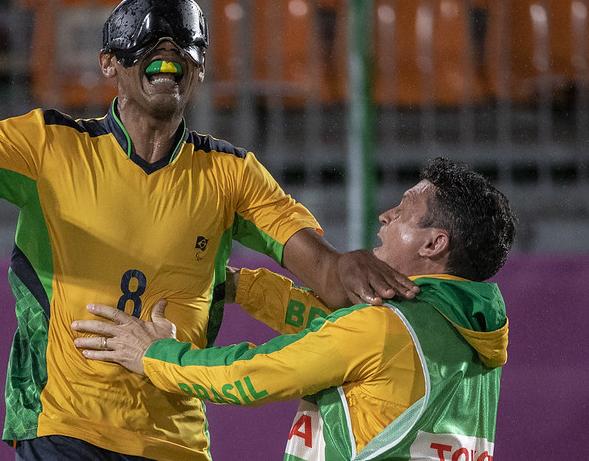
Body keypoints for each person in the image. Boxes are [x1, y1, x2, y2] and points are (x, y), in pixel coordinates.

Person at [0, 0, 418, 460]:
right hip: (64, 425)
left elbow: (320, 267)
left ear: (198, 68)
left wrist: (352, 269)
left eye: (182, 47)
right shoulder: (46, 144)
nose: (167, 53)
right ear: (109, 65)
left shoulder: (233, 174)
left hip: (175, 438)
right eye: (147, 44)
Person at [73, 157, 516, 460]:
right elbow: (339, 333)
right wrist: (243, 285)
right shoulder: (469, 336)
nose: (385, 216)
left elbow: (252, 375)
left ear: (434, 243)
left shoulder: (387, 330)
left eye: (402, 211)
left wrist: (154, 355)